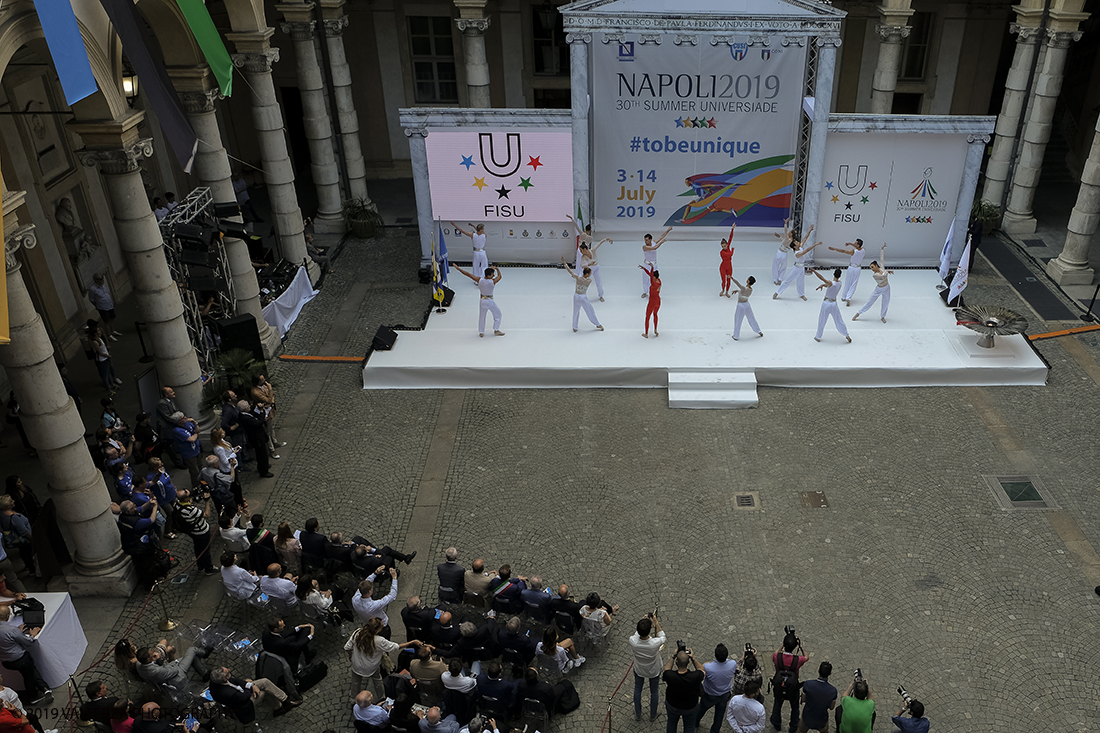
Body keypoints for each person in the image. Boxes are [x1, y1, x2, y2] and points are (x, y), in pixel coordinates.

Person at [345, 617, 419, 696]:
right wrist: (412, 642)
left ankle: (353, 699)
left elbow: (347, 647)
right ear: (377, 630)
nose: (383, 626)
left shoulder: (357, 633)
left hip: (356, 665)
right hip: (371, 667)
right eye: (382, 625)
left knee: (355, 683)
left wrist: (351, 656)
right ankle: (381, 697)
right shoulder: (379, 641)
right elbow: (396, 646)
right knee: (377, 681)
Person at [208, 666, 297, 721]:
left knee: (265, 682)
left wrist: (251, 685)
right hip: (244, 704)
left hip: (242, 692)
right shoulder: (228, 693)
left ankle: (285, 700)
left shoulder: (216, 679)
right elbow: (245, 697)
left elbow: (236, 680)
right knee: (264, 691)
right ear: (224, 678)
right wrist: (252, 686)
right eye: (227, 672)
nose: (229, 669)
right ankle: (278, 708)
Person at [0, 605, 48, 703]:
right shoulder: (12, 630)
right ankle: (34, 696)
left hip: (5, 661)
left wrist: (17, 632)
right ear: (8, 616)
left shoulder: (12, 630)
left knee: (31, 670)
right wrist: (33, 634)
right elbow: (28, 642)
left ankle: (44, 688)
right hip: (20, 659)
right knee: (29, 675)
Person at [629, 611, 666, 722]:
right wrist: (655, 622)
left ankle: (638, 713)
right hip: (653, 670)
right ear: (649, 631)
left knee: (637, 690)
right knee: (654, 692)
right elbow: (663, 636)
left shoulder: (633, 641)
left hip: (639, 669)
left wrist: (643, 623)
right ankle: (653, 714)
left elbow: (637, 634)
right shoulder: (654, 643)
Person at [770, 633, 809, 733]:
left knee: (777, 703)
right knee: (795, 707)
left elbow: (776, 653)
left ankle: (776, 722)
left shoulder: (776, 657)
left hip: (779, 685)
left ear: (784, 644)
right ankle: (793, 726)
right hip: (793, 687)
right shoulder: (798, 660)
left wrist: (782, 645)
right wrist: (800, 646)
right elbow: (806, 657)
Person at [453, 265, 504, 338]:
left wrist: (458, 269)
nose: (494, 276)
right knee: (498, 314)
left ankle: (481, 332)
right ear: (489, 275)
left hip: (482, 300)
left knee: (482, 316)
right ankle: (496, 330)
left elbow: (468, 274)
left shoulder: (479, 280)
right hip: (490, 301)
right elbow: (500, 277)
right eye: (492, 274)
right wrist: (497, 269)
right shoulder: (492, 281)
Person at [663, 649, 706, 733]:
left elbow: (666, 669)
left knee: (671, 724)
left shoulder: (670, 676)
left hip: (673, 706)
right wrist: (693, 658)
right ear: (688, 663)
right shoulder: (695, 676)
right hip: (690, 707)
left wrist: (673, 656)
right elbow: (702, 670)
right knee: (689, 727)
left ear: (676, 663)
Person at [696, 644, 737, 733]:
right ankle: (715, 731)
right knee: (719, 715)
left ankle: (695, 722)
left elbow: (700, 669)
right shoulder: (733, 664)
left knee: (701, 709)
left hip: (710, 695)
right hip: (725, 694)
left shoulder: (708, 667)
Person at [174, 489, 215, 575]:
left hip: (192, 532)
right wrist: (207, 501)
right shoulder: (190, 510)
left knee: (198, 549)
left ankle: (200, 566)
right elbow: (207, 514)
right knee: (205, 550)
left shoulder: (177, 505)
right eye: (189, 495)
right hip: (201, 532)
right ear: (186, 499)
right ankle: (209, 569)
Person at [135, 642, 209, 689]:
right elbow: (175, 671)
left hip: (168, 671)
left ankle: (204, 673)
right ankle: (205, 653)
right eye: (152, 654)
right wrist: (176, 663)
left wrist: (155, 660)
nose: (154, 653)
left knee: (193, 657)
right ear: (148, 659)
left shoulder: (139, 664)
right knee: (192, 650)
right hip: (177, 675)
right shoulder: (157, 671)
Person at [560, 258, 604, 333]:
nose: (590, 274)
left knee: (576, 312)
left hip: (576, 296)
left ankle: (575, 327)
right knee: (590, 310)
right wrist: (590, 265)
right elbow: (584, 272)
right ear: (587, 274)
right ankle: (597, 324)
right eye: (589, 273)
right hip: (583, 297)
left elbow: (570, 271)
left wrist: (565, 263)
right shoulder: (589, 280)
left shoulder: (578, 278)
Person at [352, 568, 399, 635]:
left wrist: (375, 573)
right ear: (369, 592)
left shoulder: (354, 599)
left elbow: (366, 582)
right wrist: (394, 578)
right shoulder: (373, 605)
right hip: (381, 627)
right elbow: (392, 596)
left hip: (368, 624)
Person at [852, 244, 892, 323]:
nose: (872, 269)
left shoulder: (882, 268)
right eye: (871, 268)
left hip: (887, 287)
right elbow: (882, 276)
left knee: (886, 302)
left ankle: (883, 316)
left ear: (877, 265)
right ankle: (858, 313)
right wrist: (887, 271)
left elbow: (882, 259)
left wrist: (882, 249)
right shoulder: (875, 275)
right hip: (879, 289)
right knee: (869, 302)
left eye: (873, 267)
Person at [810, 269, 852, 343]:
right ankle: (846, 334)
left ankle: (818, 337)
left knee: (822, 320)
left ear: (833, 274)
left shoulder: (831, 283)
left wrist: (814, 271)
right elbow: (830, 285)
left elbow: (822, 278)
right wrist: (823, 285)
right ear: (840, 276)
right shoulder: (839, 283)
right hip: (834, 304)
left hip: (826, 304)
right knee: (839, 320)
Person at [0, 496, 35, 577]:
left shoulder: (2, 515)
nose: (13, 501)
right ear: (7, 506)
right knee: (28, 552)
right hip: (23, 539)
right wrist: (33, 539)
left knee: (23, 552)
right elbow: (24, 532)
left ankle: (28, 566)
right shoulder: (15, 518)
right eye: (11, 501)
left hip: (14, 538)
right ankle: (32, 569)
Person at [798, 662, 837, 733]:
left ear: (818, 670)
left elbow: (803, 699)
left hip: (807, 717)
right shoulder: (833, 691)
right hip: (821, 719)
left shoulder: (808, 684)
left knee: (801, 730)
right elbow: (831, 708)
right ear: (830, 673)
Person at [237, 401, 273, 478]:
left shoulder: (243, 415)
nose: (250, 407)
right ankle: (263, 471)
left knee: (261, 454)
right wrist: (262, 412)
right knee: (262, 454)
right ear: (245, 409)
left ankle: (263, 466)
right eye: (248, 406)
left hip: (256, 437)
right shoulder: (245, 418)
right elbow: (258, 423)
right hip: (257, 438)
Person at [827, 239, 865, 306]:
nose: (854, 244)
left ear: (858, 245)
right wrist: (850, 243)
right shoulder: (863, 250)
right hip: (858, 268)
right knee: (854, 283)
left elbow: (843, 251)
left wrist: (835, 249)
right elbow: (857, 247)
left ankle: (844, 297)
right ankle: (848, 298)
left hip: (851, 268)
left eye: (855, 243)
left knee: (848, 282)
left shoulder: (853, 251)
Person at [169, 413, 202, 488]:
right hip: (189, 453)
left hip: (197, 449)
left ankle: (202, 482)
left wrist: (195, 423)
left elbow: (198, 430)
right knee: (194, 471)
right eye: (183, 418)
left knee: (200, 467)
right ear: (178, 421)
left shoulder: (188, 424)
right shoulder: (177, 430)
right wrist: (195, 433)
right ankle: (197, 486)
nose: (186, 418)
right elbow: (192, 439)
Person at [87, 273, 122, 341]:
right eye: (100, 279)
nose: (102, 281)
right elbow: (91, 299)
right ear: (95, 280)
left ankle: (113, 331)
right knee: (106, 321)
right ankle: (108, 335)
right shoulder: (92, 289)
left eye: (103, 279)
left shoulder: (103, 286)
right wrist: (98, 305)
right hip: (102, 307)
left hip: (109, 305)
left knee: (112, 318)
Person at [88, 323, 122, 393]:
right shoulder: (95, 342)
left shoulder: (99, 338)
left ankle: (112, 384)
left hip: (106, 358)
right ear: (95, 333)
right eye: (98, 331)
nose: (100, 331)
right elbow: (100, 352)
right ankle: (109, 389)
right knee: (105, 376)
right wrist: (107, 356)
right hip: (102, 360)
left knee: (109, 371)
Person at [641, 227, 673, 297]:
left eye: (647, 240)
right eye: (645, 240)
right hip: (647, 264)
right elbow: (654, 248)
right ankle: (645, 292)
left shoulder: (654, 242)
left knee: (654, 279)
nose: (645, 242)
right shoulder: (644, 247)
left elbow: (662, 236)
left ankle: (652, 293)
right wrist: (661, 243)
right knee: (645, 279)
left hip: (654, 264)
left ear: (650, 240)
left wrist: (668, 230)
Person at [730, 276, 763, 341]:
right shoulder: (750, 290)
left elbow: (738, 284)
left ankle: (736, 336)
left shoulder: (743, 288)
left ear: (748, 281)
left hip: (740, 306)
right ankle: (758, 331)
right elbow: (744, 291)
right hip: (747, 305)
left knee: (738, 320)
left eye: (747, 279)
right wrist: (738, 291)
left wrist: (732, 278)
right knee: (752, 318)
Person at [579, 236, 611, 301]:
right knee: (584, 282)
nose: (580, 252)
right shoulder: (583, 257)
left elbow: (599, 243)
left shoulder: (593, 250)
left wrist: (606, 239)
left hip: (596, 268)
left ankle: (601, 295)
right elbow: (582, 266)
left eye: (581, 250)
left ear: (585, 249)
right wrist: (589, 264)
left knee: (598, 282)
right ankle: (581, 295)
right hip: (589, 269)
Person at [639, 263, 662, 338]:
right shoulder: (659, 281)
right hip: (658, 301)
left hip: (652, 301)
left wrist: (651, 267)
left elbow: (650, 274)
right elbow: (650, 274)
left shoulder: (653, 283)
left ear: (654, 277)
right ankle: (655, 330)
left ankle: (646, 333)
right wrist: (644, 268)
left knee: (647, 317)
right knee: (655, 314)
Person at [772, 218, 794, 285]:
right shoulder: (793, 242)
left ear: (790, 234)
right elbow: (784, 241)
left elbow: (785, 230)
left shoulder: (787, 238)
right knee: (783, 267)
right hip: (784, 254)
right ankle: (780, 279)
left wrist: (785, 223)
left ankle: (775, 280)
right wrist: (779, 237)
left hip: (779, 253)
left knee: (775, 266)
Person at [719, 224, 736, 297]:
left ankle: (727, 292)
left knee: (729, 280)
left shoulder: (728, 247)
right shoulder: (722, 252)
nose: (724, 247)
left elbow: (730, 238)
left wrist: (732, 229)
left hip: (729, 267)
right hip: (723, 267)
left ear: (727, 244)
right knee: (724, 280)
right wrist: (732, 250)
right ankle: (722, 290)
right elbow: (730, 255)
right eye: (722, 246)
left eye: (725, 245)